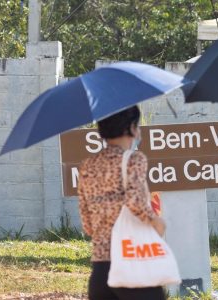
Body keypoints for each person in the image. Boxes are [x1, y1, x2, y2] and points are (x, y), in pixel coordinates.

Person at [78, 106, 167, 300]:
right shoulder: (134, 160)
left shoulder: (87, 166)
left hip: (101, 271)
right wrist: (156, 222)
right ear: (132, 128)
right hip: (133, 265)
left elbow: (87, 225)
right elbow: (136, 203)